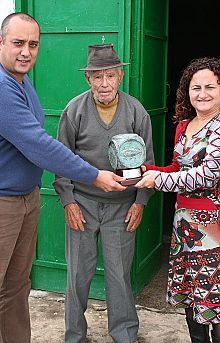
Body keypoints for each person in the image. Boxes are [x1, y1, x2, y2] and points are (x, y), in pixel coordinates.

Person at [0, 13, 126, 343]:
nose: (26, 51)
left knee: (15, 287)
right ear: (1, 43)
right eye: (17, 43)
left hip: (25, 199)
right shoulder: (2, 88)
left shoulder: (23, 83)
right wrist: (94, 176)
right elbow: (38, 144)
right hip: (3, 204)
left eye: (33, 44)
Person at [53, 43, 154, 343]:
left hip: (122, 208)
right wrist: (68, 201)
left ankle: (123, 334)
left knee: (119, 276)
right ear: (88, 80)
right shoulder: (75, 110)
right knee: (77, 277)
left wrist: (140, 202)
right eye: (97, 77)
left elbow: (148, 163)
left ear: (120, 76)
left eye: (110, 75)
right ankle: (74, 336)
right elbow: (61, 159)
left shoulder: (136, 111)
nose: (104, 83)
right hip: (82, 204)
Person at [136, 57, 220, 343]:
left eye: (211, 86)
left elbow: (207, 176)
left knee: (215, 300)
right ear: (187, 91)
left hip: (214, 231)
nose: (203, 93)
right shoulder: (184, 126)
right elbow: (178, 168)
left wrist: (157, 181)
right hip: (185, 228)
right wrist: (148, 171)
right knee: (191, 296)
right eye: (196, 87)